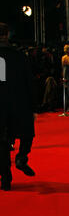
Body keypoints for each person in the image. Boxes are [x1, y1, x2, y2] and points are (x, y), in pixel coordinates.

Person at [0, 23, 36, 188]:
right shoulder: (20, 56)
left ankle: (6, 177)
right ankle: (22, 157)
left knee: (2, 142)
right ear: (8, 35)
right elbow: (30, 82)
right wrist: (33, 105)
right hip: (19, 103)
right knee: (26, 133)